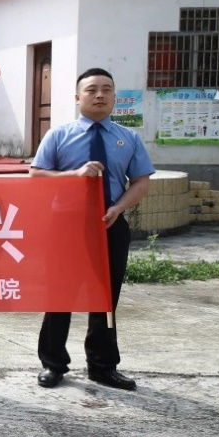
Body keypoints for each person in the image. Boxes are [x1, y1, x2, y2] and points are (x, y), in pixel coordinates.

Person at [30, 67, 154, 391]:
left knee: (105, 297)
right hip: (66, 227)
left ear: (114, 96)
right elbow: (37, 175)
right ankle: (53, 363)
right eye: (92, 89)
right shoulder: (59, 135)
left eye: (107, 89)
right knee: (61, 294)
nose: (100, 95)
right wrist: (74, 175)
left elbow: (141, 181)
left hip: (109, 224)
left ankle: (102, 366)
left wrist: (118, 208)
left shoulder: (128, 138)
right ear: (77, 97)